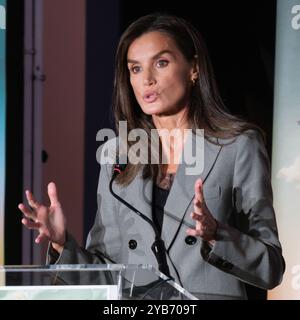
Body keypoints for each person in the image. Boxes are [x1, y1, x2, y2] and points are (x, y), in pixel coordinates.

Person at [18, 13, 285, 299]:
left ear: (194, 68)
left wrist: (216, 234)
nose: (147, 79)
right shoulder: (117, 155)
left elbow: (271, 268)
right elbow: (107, 274)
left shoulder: (238, 146)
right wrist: (62, 244)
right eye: (135, 69)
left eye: (161, 63)